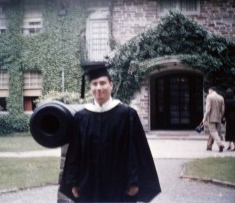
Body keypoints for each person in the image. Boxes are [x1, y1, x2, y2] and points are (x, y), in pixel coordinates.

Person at [59, 65, 161, 202]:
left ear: (111, 85)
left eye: (102, 83)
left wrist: (134, 182)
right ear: (90, 87)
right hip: (88, 185)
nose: (98, 88)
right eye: (94, 84)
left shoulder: (127, 115)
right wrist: (73, 182)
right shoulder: (81, 118)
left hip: (119, 184)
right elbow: (74, 154)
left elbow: (135, 151)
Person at [202, 86, 225, 152]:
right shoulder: (221, 97)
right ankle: (209, 146)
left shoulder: (209, 97)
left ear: (211, 90)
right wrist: (221, 116)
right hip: (218, 117)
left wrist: (204, 118)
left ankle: (220, 144)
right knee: (212, 132)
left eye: (209, 91)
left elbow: (208, 109)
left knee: (213, 132)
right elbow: (223, 110)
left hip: (211, 118)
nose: (208, 93)